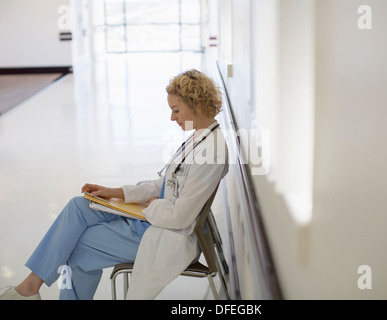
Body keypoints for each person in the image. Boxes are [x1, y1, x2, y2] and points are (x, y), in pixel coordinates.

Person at [0, 69, 228, 300]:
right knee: (79, 205)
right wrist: (114, 193)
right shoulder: (200, 138)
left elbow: (180, 218)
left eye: (175, 110)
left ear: (196, 103)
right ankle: (28, 288)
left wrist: (153, 204)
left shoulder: (210, 153)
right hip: (153, 219)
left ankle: (27, 290)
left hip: (165, 235)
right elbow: (164, 183)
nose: (172, 118)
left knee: (77, 247)